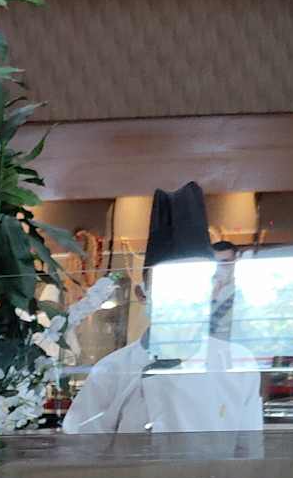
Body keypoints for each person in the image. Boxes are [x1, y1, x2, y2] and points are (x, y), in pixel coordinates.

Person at [62, 182, 263, 436]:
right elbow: (80, 450)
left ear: (213, 289)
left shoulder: (238, 364)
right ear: (143, 295)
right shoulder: (112, 371)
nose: (182, 301)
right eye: (170, 288)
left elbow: (248, 453)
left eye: (194, 286)